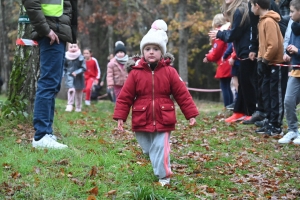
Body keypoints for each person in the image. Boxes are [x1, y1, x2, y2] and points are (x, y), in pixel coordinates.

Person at [113, 19, 199, 186]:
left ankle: (163, 176)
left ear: (162, 52)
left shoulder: (170, 72)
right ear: (142, 52)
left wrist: (191, 114)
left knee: (160, 147)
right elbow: (125, 96)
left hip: (164, 116)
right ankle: (154, 157)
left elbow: (182, 94)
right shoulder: (135, 74)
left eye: (155, 49)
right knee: (147, 147)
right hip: (141, 117)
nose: (151, 52)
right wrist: (120, 117)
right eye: (147, 49)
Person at [23, 0, 77, 149]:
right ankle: (41, 135)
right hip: (51, 33)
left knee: (53, 84)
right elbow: (31, 3)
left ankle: (47, 132)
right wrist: (45, 30)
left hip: (59, 32)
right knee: (48, 83)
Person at [209, 0, 257, 123]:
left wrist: (220, 34)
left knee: (247, 84)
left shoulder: (240, 10)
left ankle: (251, 112)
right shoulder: (240, 9)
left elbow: (234, 34)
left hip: (247, 52)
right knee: (242, 83)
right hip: (243, 52)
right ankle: (239, 111)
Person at [245, 0, 288, 125]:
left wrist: (265, 60)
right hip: (266, 63)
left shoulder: (269, 21)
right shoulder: (261, 20)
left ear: (257, 6)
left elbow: (273, 45)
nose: (251, 8)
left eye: (252, 5)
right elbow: (262, 45)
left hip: (274, 63)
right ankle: (269, 120)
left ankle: (275, 124)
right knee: (267, 93)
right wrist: (260, 59)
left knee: (275, 95)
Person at [278, 0, 300, 144]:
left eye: (292, 12)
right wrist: (289, 52)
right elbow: (290, 43)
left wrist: (298, 50)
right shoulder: (293, 26)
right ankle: (293, 130)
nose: (290, 15)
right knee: (288, 100)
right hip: (296, 70)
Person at [203, 14, 233, 108]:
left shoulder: (219, 33)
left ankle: (228, 106)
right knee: (228, 85)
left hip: (224, 63)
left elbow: (217, 52)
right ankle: (231, 106)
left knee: (225, 86)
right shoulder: (228, 31)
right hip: (229, 61)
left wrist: (208, 57)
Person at [63, 42, 86, 112]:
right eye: (71, 47)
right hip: (69, 76)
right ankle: (69, 104)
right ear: (68, 48)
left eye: (74, 46)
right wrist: (64, 74)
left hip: (79, 77)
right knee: (71, 90)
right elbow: (64, 66)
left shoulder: (81, 57)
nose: (73, 48)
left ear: (78, 48)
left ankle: (78, 107)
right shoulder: (66, 57)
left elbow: (84, 67)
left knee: (79, 92)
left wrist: (77, 72)